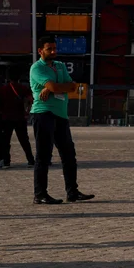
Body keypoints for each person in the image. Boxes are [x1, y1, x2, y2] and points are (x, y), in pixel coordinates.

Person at [29, 36, 95, 204]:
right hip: (43, 113)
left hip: (61, 115)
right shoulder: (37, 68)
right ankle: (40, 194)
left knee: (69, 155)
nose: (53, 51)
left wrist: (53, 88)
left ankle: (72, 192)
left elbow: (73, 86)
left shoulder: (60, 66)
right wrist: (51, 87)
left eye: (54, 48)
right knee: (43, 156)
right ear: (40, 51)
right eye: (49, 48)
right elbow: (56, 87)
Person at [0, 71, 36, 167]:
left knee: (6, 141)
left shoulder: (3, 89)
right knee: (24, 141)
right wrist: (27, 111)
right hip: (20, 118)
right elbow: (31, 100)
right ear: (18, 78)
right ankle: (31, 160)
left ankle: (7, 162)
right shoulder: (23, 88)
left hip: (6, 118)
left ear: (8, 79)